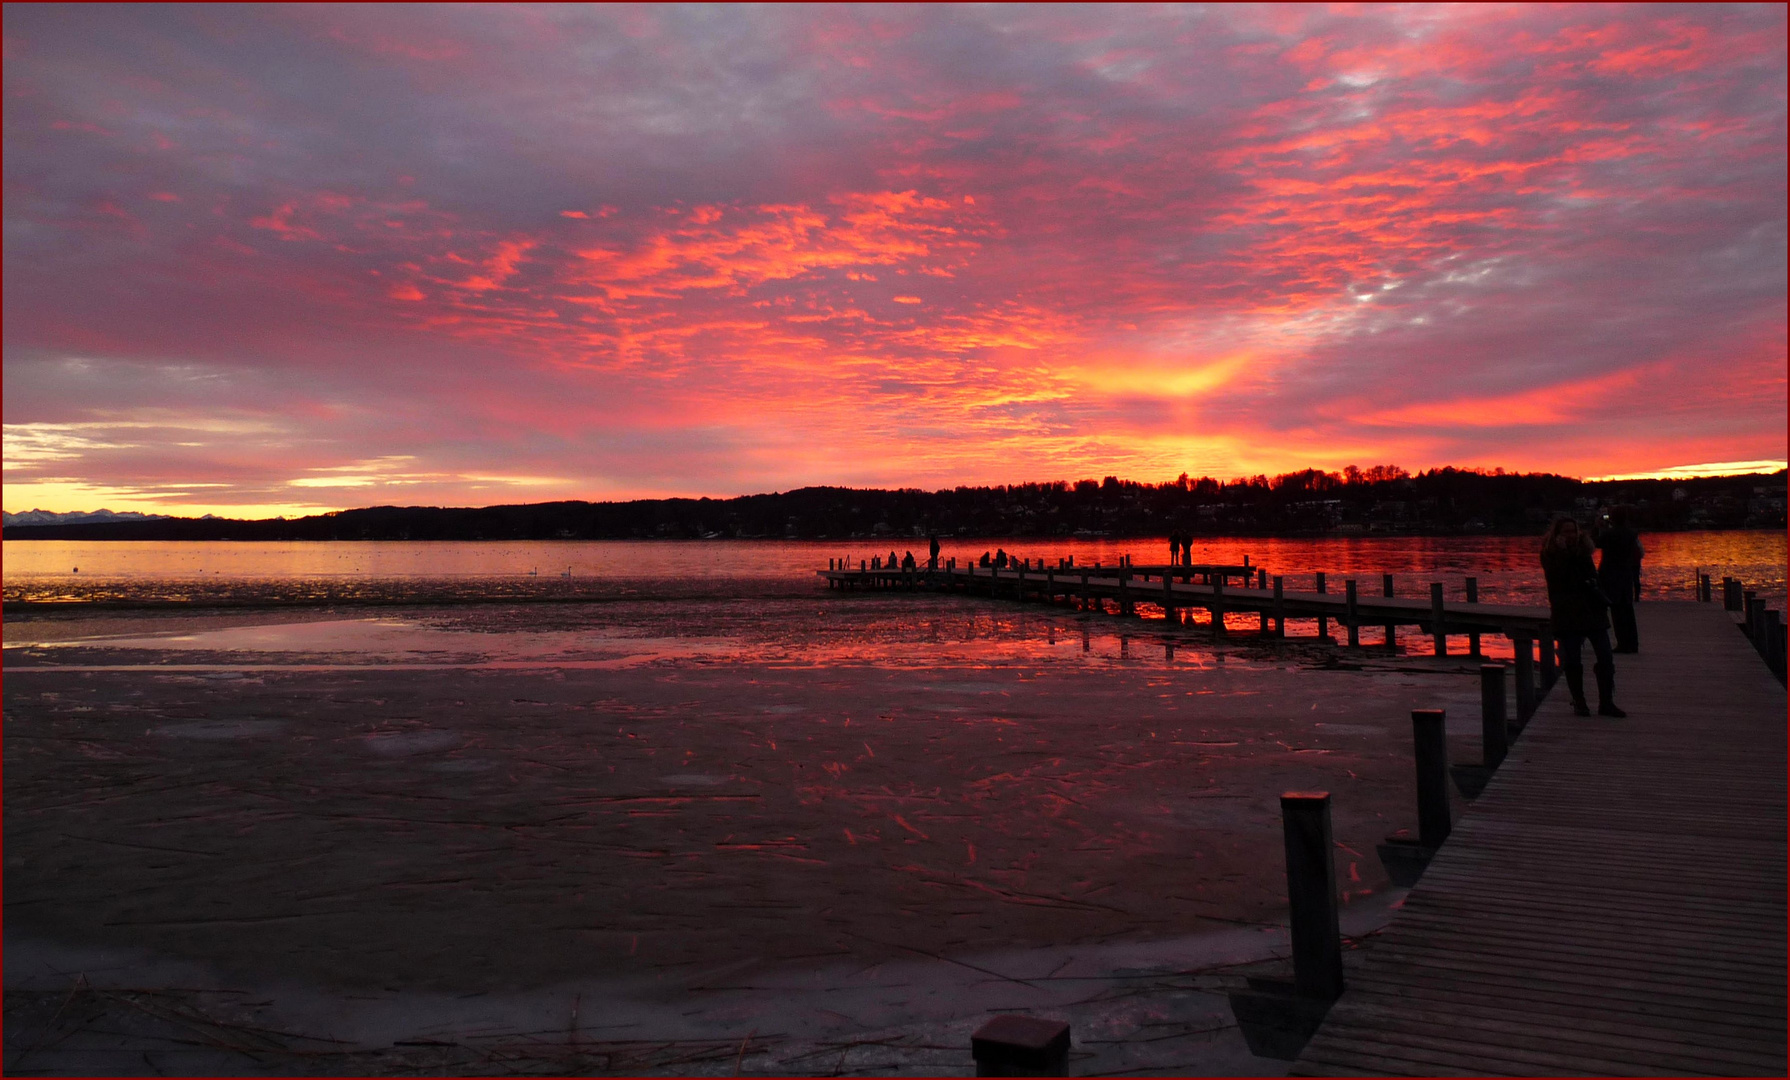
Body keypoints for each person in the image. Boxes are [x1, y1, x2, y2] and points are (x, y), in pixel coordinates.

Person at [1540, 516, 1624, 717]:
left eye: (1573, 531)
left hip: (1592, 611)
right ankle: (1579, 701)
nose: (1571, 535)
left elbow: (1592, 578)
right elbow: (1557, 578)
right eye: (1566, 531)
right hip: (1567, 613)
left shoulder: (1584, 552)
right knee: (1572, 660)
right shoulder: (1550, 554)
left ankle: (1606, 702)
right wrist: (1563, 553)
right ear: (1557, 534)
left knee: (1605, 657)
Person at [1596, 506, 1643, 653]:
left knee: (1616, 610)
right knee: (1627, 609)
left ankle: (1622, 643)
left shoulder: (1609, 534)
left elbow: (1596, 543)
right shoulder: (1631, 533)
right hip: (1626, 573)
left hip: (1610, 574)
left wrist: (1599, 527)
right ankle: (1633, 643)